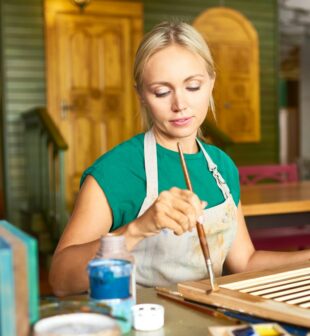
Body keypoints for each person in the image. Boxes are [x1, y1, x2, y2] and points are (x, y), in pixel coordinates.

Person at [49, 21, 310, 297]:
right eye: (162, 91)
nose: (179, 104)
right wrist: (137, 229)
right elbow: (61, 279)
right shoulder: (115, 171)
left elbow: (244, 261)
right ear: (141, 94)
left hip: (209, 324)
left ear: (211, 83)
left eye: (193, 86)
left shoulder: (222, 168)